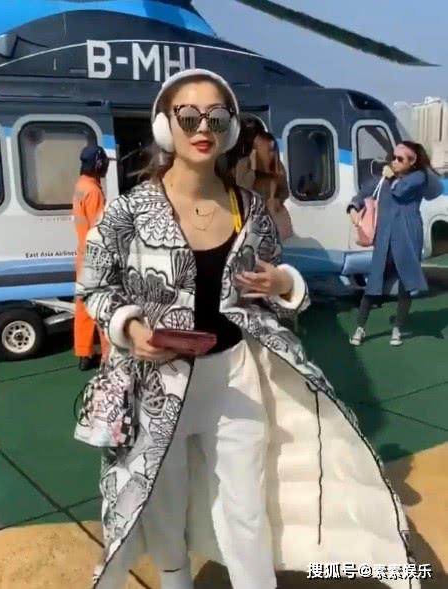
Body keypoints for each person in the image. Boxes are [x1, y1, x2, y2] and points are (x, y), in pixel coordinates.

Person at [75, 69, 419, 589]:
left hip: (235, 378)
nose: (203, 128)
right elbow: (95, 287)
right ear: (166, 126)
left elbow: (273, 285)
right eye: (188, 117)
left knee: (247, 505)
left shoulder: (249, 208)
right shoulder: (128, 210)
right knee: (162, 498)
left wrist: (284, 282)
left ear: (231, 128)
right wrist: (128, 326)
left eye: (216, 118)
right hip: (156, 384)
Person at [348, 141, 443, 347]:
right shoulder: (385, 178)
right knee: (374, 282)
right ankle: (360, 327)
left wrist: (392, 176)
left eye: (400, 159)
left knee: (405, 284)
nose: (394, 161)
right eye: (393, 157)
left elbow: (401, 190)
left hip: (408, 236)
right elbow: (363, 193)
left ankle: (397, 328)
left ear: (412, 161)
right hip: (385, 237)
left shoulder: (418, 178)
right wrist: (353, 207)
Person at [72, 145, 110, 370]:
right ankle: (108, 357)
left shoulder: (80, 185)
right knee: (103, 306)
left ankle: (84, 354)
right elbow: (100, 229)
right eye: (104, 162)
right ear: (98, 164)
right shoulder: (94, 191)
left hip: (83, 254)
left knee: (84, 306)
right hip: (96, 258)